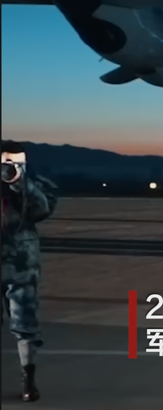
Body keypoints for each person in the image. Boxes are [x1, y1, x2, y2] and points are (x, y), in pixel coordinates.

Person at [2, 140, 57, 403]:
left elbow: (42, 209)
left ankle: (28, 380)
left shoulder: (36, 181)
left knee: (25, 325)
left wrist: (19, 182)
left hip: (22, 266)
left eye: (14, 161)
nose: (8, 166)